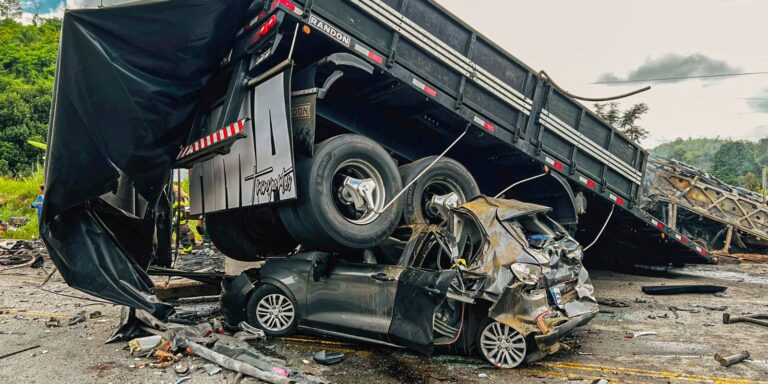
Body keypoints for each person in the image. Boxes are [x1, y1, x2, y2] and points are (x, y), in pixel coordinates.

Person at [172, 183, 195, 255]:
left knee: (182, 235)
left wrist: (176, 218)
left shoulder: (176, 196)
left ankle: (187, 249)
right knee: (183, 234)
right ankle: (189, 245)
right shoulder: (179, 194)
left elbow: (179, 209)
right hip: (179, 220)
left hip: (179, 221)